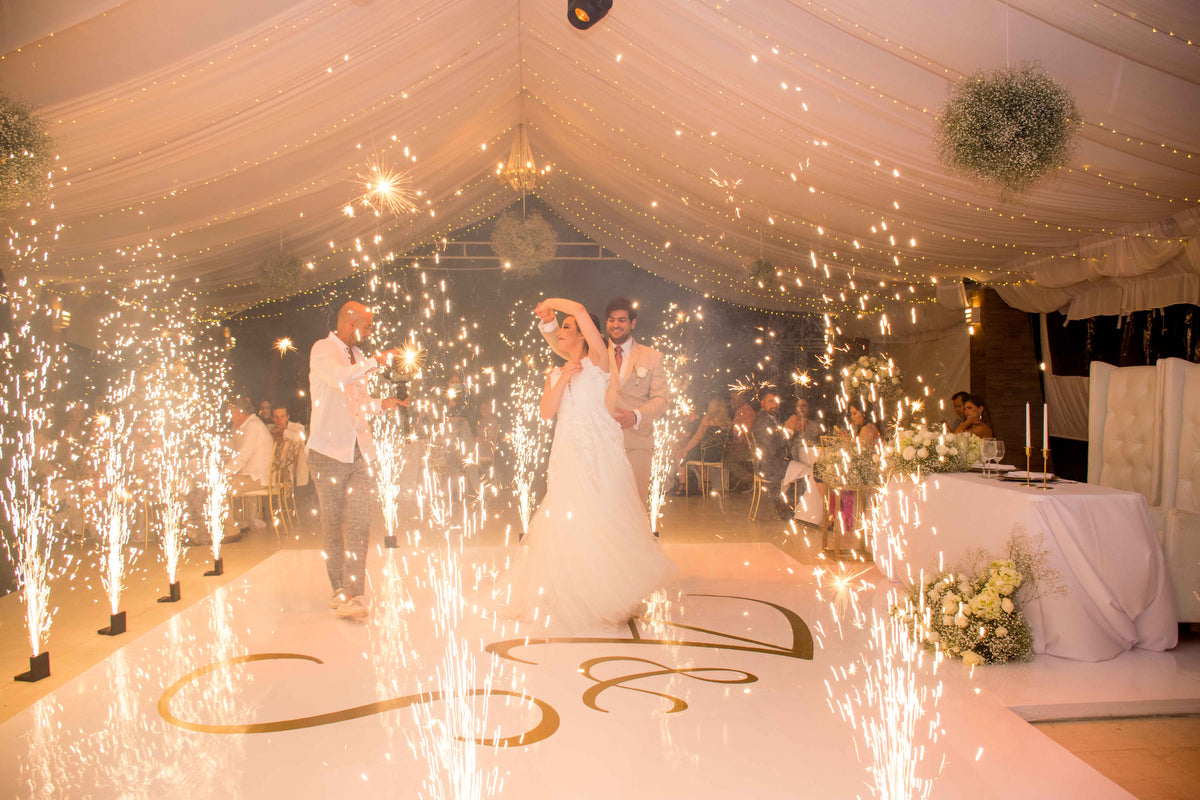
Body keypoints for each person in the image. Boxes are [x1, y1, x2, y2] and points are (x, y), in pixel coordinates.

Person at [500, 297, 675, 631]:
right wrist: (564, 376)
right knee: (567, 518)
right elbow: (546, 412)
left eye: (566, 328)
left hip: (600, 453)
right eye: (561, 327)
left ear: (584, 334)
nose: (560, 332)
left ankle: (611, 592)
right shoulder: (554, 371)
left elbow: (580, 310)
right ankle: (569, 589)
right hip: (567, 453)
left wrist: (550, 302)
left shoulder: (600, 362)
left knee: (604, 518)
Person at [308, 301, 405, 620]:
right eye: (368, 325)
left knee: (361, 521)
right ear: (351, 323)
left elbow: (359, 403)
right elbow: (339, 380)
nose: (371, 331)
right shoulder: (322, 350)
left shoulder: (359, 358)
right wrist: (377, 361)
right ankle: (338, 589)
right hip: (327, 452)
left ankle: (353, 593)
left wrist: (385, 404)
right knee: (333, 524)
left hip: (361, 451)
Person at [538, 296, 668, 505]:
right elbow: (563, 341)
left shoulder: (652, 357)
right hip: (594, 444)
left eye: (622, 320)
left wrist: (636, 416)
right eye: (611, 320)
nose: (615, 324)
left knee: (633, 510)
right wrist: (549, 321)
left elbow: (661, 398)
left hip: (635, 440)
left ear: (632, 323)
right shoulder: (596, 352)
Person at [226, 395, 275, 532]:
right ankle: (237, 522)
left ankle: (229, 529)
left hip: (256, 479)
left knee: (216, 485)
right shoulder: (250, 426)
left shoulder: (252, 428)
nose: (230, 417)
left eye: (231, 413)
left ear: (240, 412)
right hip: (253, 476)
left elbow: (241, 457)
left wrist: (220, 474)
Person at [673, 397, 731, 493]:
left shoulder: (707, 418)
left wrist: (685, 450)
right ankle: (706, 484)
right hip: (720, 455)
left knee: (681, 455)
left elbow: (697, 437)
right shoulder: (727, 421)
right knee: (697, 457)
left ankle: (683, 485)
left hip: (706, 454)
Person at [751, 391, 791, 518]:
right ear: (762, 403)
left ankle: (789, 507)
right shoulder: (761, 421)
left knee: (802, 469)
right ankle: (785, 508)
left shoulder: (775, 418)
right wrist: (789, 431)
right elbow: (772, 448)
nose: (774, 405)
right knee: (805, 473)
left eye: (776, 401)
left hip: (777, 462)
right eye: (770, 401)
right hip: (769, 465)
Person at [271, 404, 309, 487]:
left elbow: (298, 438)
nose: (279, 420)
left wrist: (283, 432)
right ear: (272, 418)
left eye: (282, 417)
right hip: (275, 472)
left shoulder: (296, 427)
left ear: (287, 417)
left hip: (295, 473)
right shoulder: (270, 430)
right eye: (276, 417)